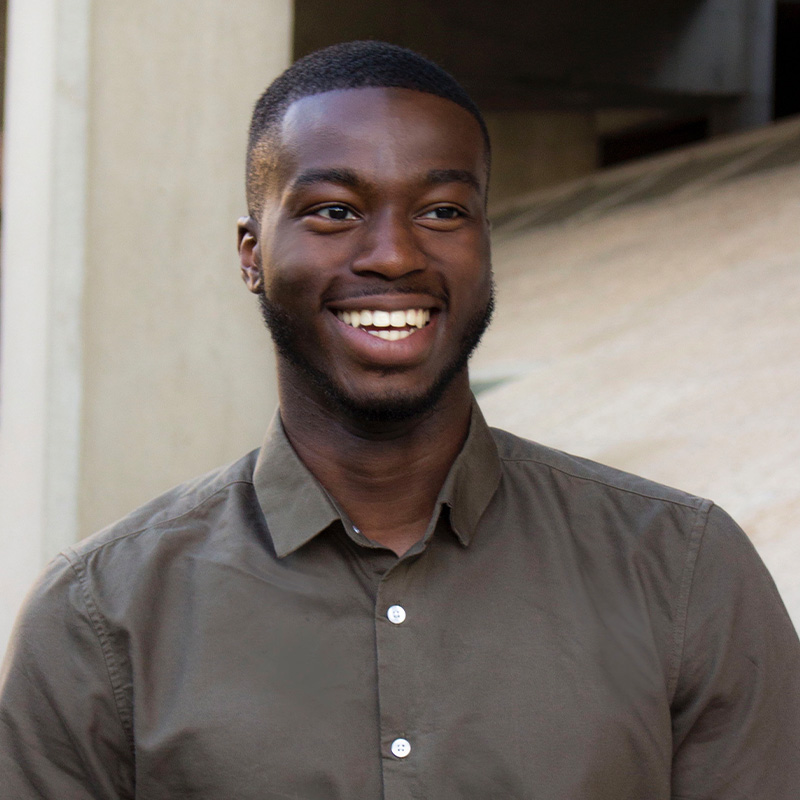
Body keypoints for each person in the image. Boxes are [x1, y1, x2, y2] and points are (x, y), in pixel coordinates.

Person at [1, 40, 798, 800]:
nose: (392, 254)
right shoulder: (99, 619)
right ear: (251, 253)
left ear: (487, 242)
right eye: (335, 211)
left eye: (444, 211)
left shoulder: (683, 573)